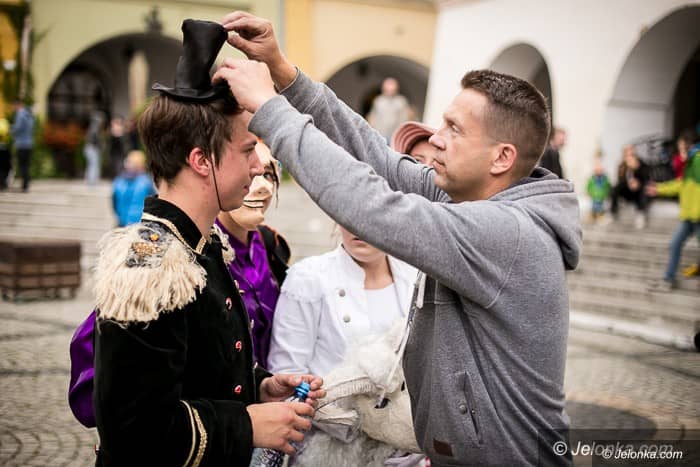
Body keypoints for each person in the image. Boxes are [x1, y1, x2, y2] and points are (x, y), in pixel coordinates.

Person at [215, 12, 581, 467]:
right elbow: (375, 158)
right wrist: (284, 73)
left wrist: (270, 110)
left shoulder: (506, 233)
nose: (436, 139)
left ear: (501, 158)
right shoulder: (469, 200)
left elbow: (370, 204)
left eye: (454, 129)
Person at [92, 19, 323, 466]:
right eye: (248, 149)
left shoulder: (204, 244)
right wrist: (248, 425)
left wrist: (259, 386)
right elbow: (134, 430)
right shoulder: (149, 266)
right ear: (201, 160)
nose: (259, 166)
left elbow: (197, 370)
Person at [268, 225, 416, 377]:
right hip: (325, 391)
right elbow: (288, 372)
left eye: (374, 215)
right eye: (350, 215)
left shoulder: (416, 274)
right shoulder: (308, 277)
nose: (360, 226)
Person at [215, 141, 291, 369]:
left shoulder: (272, 245)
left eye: (268, 174)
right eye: (249, 172)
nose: (263, 187)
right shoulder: (201, 254)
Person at [647, 143, 700, 291]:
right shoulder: (688, 168)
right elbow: (678, 185)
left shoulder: (696, 162)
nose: (679, 155)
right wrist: (658, 189)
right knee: (675, 244)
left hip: (698, 217)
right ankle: (668, 279)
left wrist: (693, 157)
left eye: (682, 150)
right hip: (688, 217)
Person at [111, 149, 157, 227]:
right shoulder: (119, 181)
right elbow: (114, 202)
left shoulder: (146, 182)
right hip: (124, 223)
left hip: (139, 224)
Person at [610, 144, 651, 229]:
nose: (629, 153)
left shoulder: (641, 163)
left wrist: (637, 169)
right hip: (627, 191)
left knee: (643, 189)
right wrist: (627, 180)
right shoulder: (622, 164)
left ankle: (641, 214)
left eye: (631, 150)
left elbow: (646, 177)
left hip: (638, 191)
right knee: (614, 188)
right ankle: (613, 212)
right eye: (627, 151)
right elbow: (619, 180)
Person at [367, 77, 412, 142]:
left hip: (395, 134)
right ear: (383, 88)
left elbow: (405, 118)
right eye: (388, 87)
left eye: (392, 87)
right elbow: (372, 117)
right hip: (380, 133)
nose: (390, 90)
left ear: (396, 88)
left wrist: (402, 132)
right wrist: (373, 130)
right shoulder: (379, 101)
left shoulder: (401, 101)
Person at [10, 99, 34, 192]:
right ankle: (26, 184)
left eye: (13, 106)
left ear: (17, 105)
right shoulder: (28, 114)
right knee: (26, 165)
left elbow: (18, 128)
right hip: (29, 143)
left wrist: (10, 130)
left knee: (22, 165)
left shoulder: (20, 114)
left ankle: (24, 186)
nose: (13, 108)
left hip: (21, 143)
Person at [586, 158, 611, 223]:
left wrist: (607, 193)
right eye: (597, 170)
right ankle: (592, 216)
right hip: (594, 195)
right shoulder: (592, 179)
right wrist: (588, 192)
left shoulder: (605, 179)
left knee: (601, 207)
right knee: (594, 206)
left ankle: (600, 216)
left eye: (600, 170)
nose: (599, 171)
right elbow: (588, 186)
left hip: (601, 196)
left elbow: (608, 186)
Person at [84, 110, 105, 186]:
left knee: (91, 164)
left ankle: (90, 180)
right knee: (94, 165)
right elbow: (94, 139)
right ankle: (92, 182)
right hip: (93, 148)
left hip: (90, 148)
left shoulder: (92, 127)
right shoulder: (95, 128)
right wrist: (101, 146)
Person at [0, 116, 11, 190]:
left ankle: (2, 183)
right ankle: (3, 183)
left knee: (4, 167)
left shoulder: (3, 122)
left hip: (3, 147)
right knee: (5, 167)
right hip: (4, 147)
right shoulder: (4, 122)